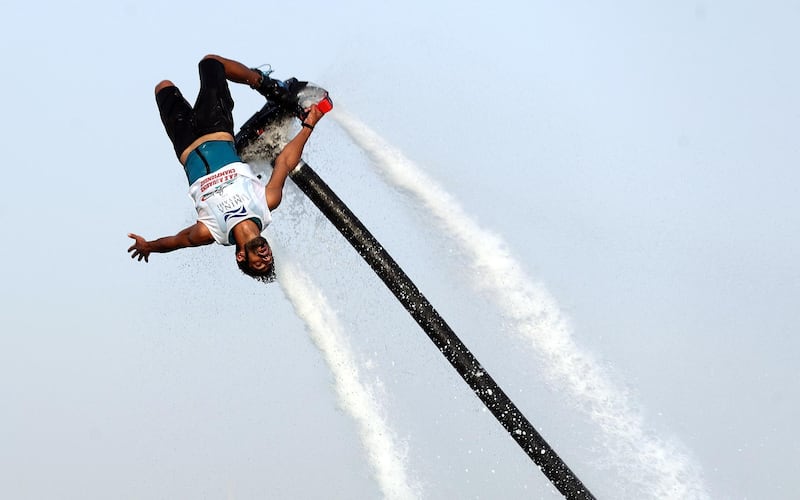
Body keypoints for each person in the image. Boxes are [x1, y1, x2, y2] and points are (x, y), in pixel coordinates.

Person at [127, 54, 326, 282]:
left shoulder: (211, 231)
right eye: (268, 259)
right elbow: (285, 162)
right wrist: (309, 125)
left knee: (162, 87)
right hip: (215, 127)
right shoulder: (266, 203)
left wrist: (149, 246)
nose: (266, 256)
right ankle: (269, 86)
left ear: (240, 256)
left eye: (259, 262)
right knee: (211, 63)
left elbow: (176, 241)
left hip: (185, 143)